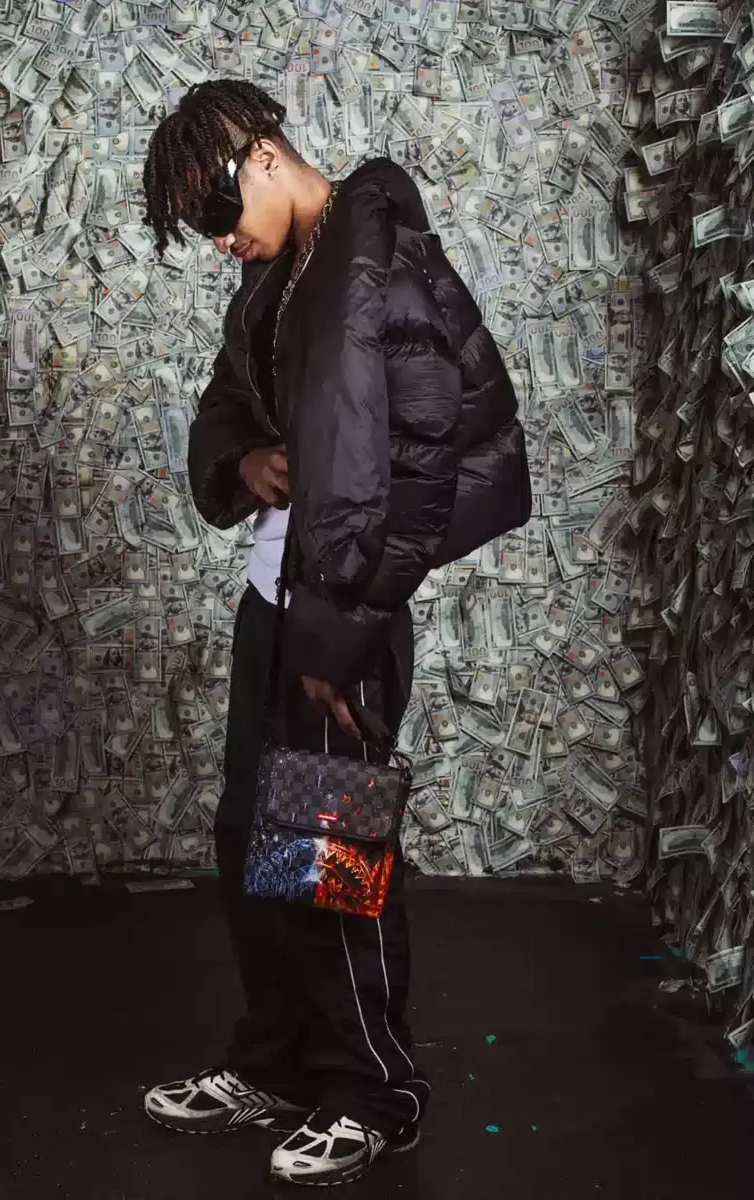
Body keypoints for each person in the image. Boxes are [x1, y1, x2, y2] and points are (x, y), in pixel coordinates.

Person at [140, 79, 531, 1188]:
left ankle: (371, 1090)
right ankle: (276, 1062)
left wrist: (341, 635)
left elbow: (420, 468)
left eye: (218, 213)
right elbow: (231, 399)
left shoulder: (380, 262)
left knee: (328, 856)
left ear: (262, 154)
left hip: (341, 619)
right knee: (250, 843)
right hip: (274, 600)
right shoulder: (279, 274)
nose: (219, 241)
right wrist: (244, 461)